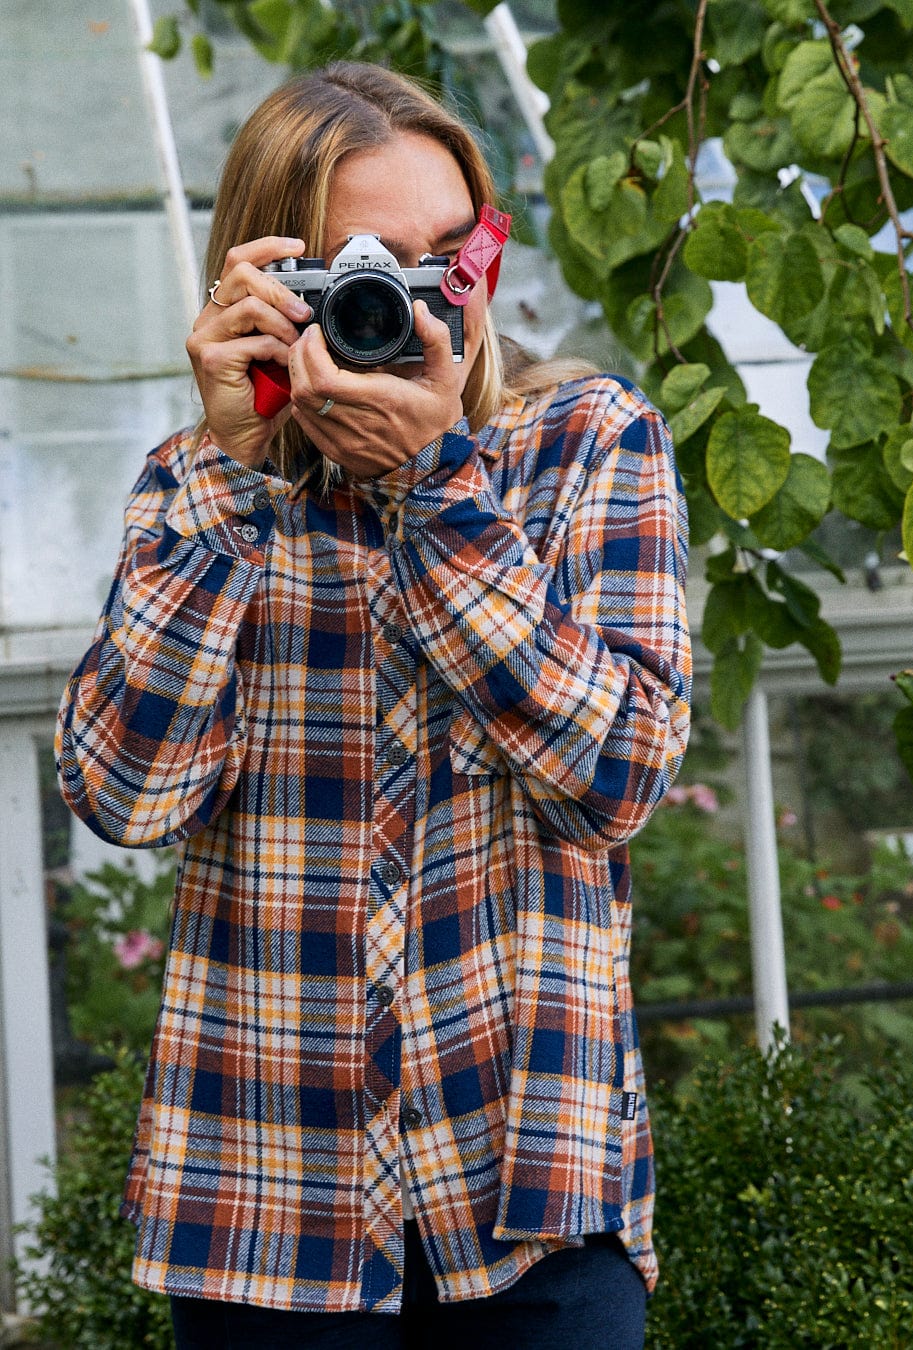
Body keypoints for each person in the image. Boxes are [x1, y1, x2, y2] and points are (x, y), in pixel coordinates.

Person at [55, 61, 692, 1350]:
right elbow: (126, 794)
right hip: (264, 1197)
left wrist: (438, 495)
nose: (424, 305)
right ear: (270, 279)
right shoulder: (202, 488)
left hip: (533, 1183)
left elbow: (619, 774)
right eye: (374, 269)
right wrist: (236, 477)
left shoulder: (584, 441)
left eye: (455, 260)